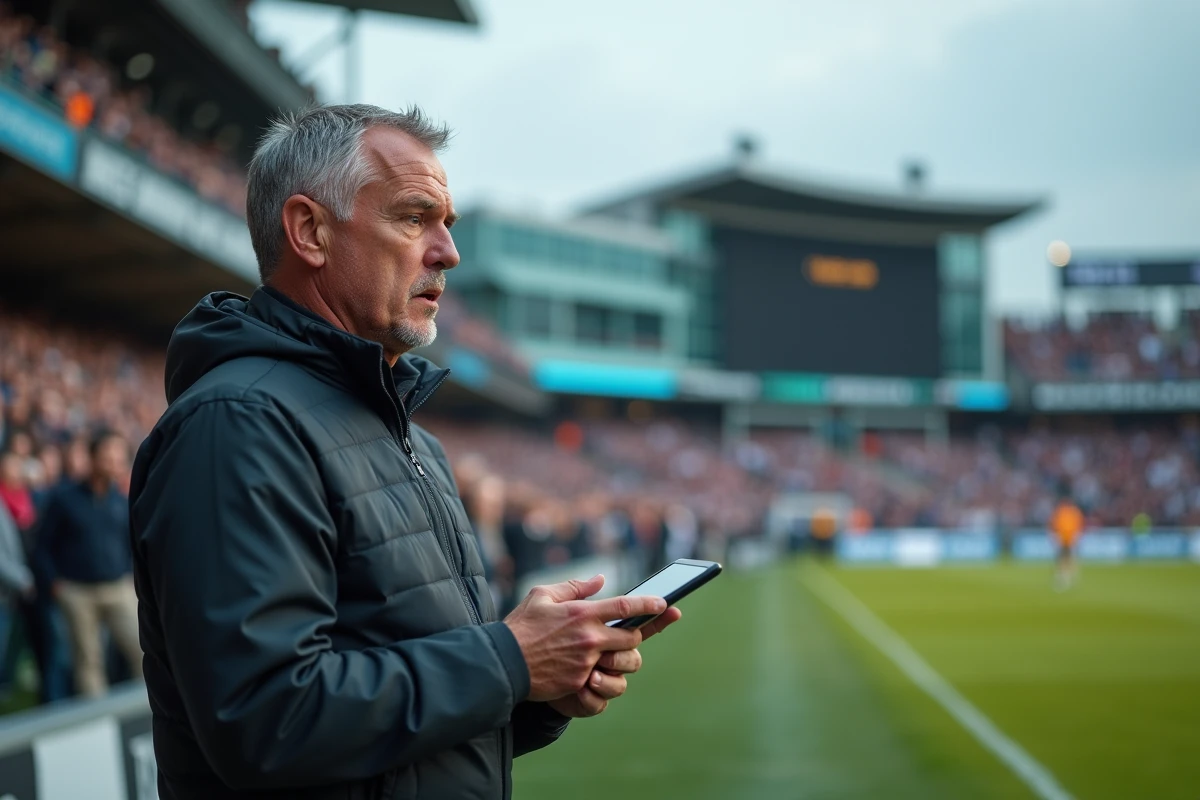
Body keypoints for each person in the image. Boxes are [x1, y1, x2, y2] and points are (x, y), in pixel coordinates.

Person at [129, 104, 681, 800]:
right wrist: (511, 657)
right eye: (414, 218)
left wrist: (542, 688)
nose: (448, 252)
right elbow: (266, 720)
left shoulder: (414, 439)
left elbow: (409, 716)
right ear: (310, 231)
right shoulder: (236, 424)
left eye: (446, 223)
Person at [34, 430, 142, 697]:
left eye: (119, 458)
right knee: (88, 662)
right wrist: (56, 586)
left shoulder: (121, 501)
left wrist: (130, 575)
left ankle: (148, 711)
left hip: (118, 587)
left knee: (141, 649)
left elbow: (130, 543)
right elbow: (42, 547)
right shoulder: (64, 498)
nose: (114, 463)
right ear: (92, 458)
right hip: (77, 592)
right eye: (107, 457)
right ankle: (100, 725)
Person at [1050, 495, 1085, 591]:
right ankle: (1064, 575)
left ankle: (1070, 575)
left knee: (1070, 557)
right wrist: (1055, 535)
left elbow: (1079, 524)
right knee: (1063, 558)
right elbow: (1054, 524)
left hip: (1071, 538)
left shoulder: (1073, 512)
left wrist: (1077, 535)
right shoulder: (1061, 512)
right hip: (1062, 538)